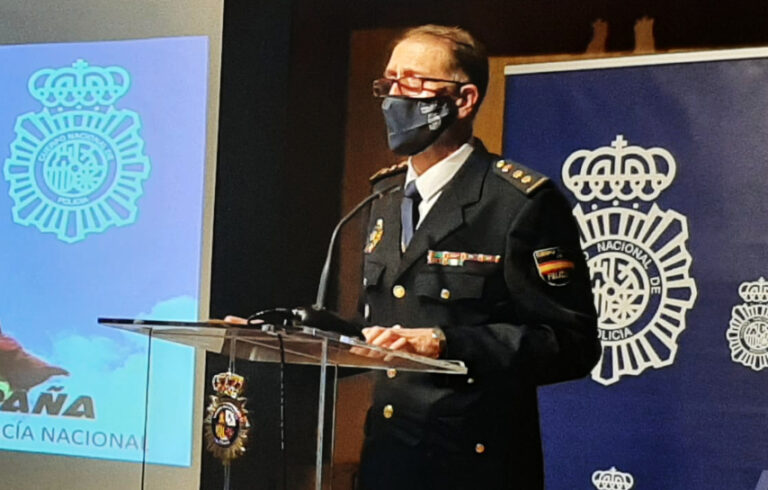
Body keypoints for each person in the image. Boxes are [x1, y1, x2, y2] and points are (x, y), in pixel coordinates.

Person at [354, 25, 601, 490]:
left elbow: (572, 344)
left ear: (464, 100)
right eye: (389, 81)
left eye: (413, 82)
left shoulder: (518, 202)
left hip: (474, 468)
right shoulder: (383, 197)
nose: (394, 96)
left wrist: (447, 343)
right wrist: (283, 333)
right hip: (387, 464)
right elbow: (373, 326)